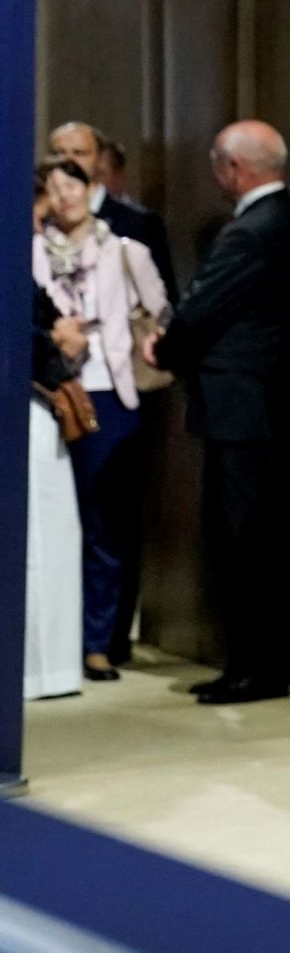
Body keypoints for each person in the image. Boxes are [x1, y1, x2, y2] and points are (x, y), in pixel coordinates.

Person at [144, 122, 290, 705]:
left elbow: (202, 310)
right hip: (272, 404)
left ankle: (254, 669)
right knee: (263, 539)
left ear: (234, 169)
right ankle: (258, 664)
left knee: (244, 539)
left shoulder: (249, 232)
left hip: (241, 408)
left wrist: (164, 348)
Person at [33, 157, 170, 683]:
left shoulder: (125, 250)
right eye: (54, 187)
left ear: (92, 189)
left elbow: (161, 313)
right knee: (50, 520)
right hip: (48, 393)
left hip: (110, 394)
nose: (65, 195)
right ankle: (50, 644)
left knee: (104, 522)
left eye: (74, 184)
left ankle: (98, 642)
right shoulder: (31, 251)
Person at [25, 282, 84, 701]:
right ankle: (42, 671)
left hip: (34, 402)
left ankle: (49, 670)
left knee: (49, 539)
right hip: (25, 401)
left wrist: (61, 331)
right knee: (40, 540)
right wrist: (54, 342)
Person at [50, 121, 176, 293]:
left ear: (100, 160)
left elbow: (164, 296)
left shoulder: (140, 224)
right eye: (59, 153)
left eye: (79, 153)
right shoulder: (39, 221)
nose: (68, 161)